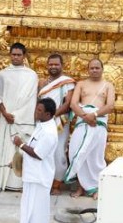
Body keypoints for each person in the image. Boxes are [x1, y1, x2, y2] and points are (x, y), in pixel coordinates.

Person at [64, 58, 115, 200]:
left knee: (94, 157)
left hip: (98, 123)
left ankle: (95, 188)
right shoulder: (81, 84)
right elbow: (74, 104)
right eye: (91, 68)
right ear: (88, 69)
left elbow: (110, 106)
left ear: (102, 69)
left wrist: (95, 115)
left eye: (97, 68)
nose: (94, 70)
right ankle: (81, 187)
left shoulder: (108, 85)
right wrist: (85, 116)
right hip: (83, 121)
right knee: (77, 152)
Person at [0, 43, 38, 192]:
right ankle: (1, 182)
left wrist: (16, 116)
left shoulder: (31, 75)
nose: (16, 57)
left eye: (19, 55)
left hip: (22, 121)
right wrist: (5, 113)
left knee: (20, 150)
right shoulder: (3, 74)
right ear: (10, 55)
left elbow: (30, 100)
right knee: (5, 148)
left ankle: (18, 184)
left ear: (24, 56)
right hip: (6, 119)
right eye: (13, 54)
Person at [14, 98, 58, 223]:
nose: (36, 112)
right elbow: (33, 147)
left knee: (38, 213)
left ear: (48, 114)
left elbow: (38, 154)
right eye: (37, 109)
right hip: (32, 176)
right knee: (28, 210)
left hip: (40, 178)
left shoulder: (49, 132)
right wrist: (18, 161)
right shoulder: (42, 125)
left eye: (39, 110)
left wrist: (20, 144)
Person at [37, 54, 75, 195]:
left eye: (56, 64)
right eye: (50, 64)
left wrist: (52, 117)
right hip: (42, 123)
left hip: (59, 122)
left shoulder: (67, 82)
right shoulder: (41, 83)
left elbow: (67, 104)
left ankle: (56, 185)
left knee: (58, 153)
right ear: (47, 65)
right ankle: (43, 182)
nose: (53, 67)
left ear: (62, 65)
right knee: (42, 151)